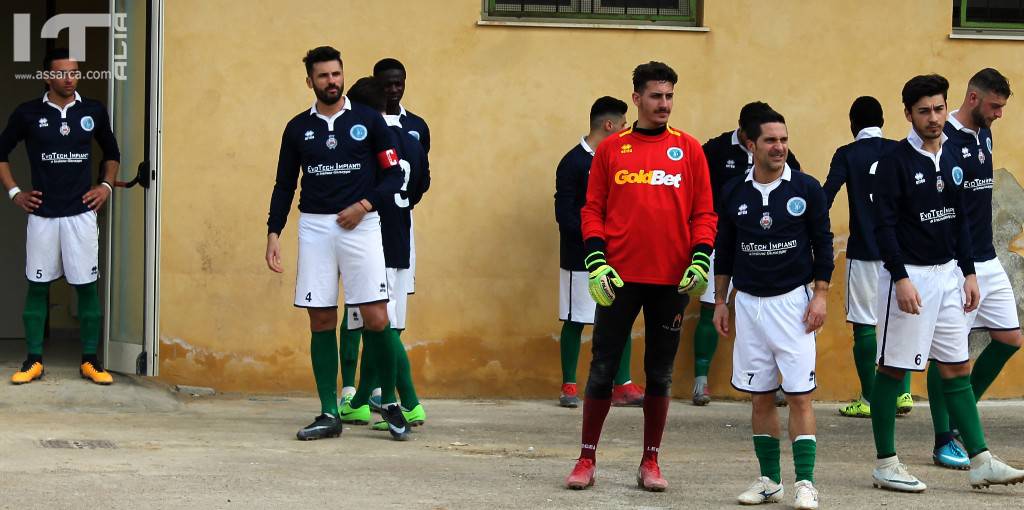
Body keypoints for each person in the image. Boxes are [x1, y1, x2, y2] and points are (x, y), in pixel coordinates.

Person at [563, 61, 716, 492]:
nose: (664, 104)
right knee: (602, 371)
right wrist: (596, 260)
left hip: (671, 282)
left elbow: (704, 213)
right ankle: (585, 459)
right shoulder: (613, 149)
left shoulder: (689, 149)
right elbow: (592, 210)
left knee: (660, 374)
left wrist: (700, 258)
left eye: (669, 96)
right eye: (655, 96)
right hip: (618, 278)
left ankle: (651, 462)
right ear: (636, 99)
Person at [868, 73, 1024, 492]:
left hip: (949, 276)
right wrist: (900, 278)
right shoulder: (893, 162)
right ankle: (886, 463)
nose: (934, 118)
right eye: (924, 111)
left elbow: (961, 225)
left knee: (957, 367)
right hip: (909, 279)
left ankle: (981, 460)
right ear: (908, 114)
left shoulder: (954, 157)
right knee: (892, 369)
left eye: (938, 108)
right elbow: (882, 227)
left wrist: (969, 273)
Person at [265, 46, 406, 441]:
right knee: (322, 318)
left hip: (361, 226)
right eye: (323, 76)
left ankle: (390, 403)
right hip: (315, 228)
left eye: (336, 74)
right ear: (310, 81)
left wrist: (363, 205)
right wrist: (273, 232)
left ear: (343, 76)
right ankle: (329, 412)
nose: (332, 81)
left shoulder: (369, 120)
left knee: (377, 317)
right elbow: (283, 185)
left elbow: (393, 177)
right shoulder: (296, 128)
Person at [714, 108, 831, 510]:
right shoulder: (733, 192)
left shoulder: (807, 188)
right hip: (747, 305)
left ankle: (806, 484)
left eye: (783, 139)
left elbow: (824, 244)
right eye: (770, 140)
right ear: (751, 145)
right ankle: (769, 481)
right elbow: (724, 251)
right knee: (760, 396)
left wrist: (821, 294)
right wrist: (721, 301)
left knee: (800, 396)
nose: (780, 147)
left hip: (793, 305)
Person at [0, 48, 120, 386]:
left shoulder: (93, 110)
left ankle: (89, 361)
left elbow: (112, 154)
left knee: (86, 287)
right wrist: (15, 193)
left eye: (74, 72)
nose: (70, 78)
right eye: (63, 72)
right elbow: (1, 153)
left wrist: (106, 186)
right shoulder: (28, 113)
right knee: (38, 286)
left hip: (80, 214)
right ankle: (33, 360)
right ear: (47, 77)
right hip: (43, 215)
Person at [925, 68, 1019, 470]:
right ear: (974, 98)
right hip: (954, 262)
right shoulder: (942, 140)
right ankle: (943, 438)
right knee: (947, 351)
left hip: (988, 257)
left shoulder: (985, 132)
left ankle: (965, 418)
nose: (999, 114)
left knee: (1010, 338)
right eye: (995, 106)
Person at [337, 58, 434, 409]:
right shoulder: (409, 143)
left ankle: (400, 400)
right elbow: (421, 181)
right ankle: (362, 394)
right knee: (378, 320)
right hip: (397, 233)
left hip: (372, 235)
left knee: (380, 323)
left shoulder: (371, 142)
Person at [695, 102, 801, 406]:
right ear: (743, 132)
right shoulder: (714, 150)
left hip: (769, 247)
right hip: (722, 241)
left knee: (774, 313)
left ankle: (778, 382)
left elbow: (796, 185)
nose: (776, 146)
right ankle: (700, 380)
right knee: (709, 308)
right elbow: (695, 189)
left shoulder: (779, 152)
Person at [823, 97, 912, 419]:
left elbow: (827, 195)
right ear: (883, 120)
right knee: (900, 322)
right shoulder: (900, 150)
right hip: (902, 253)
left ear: (852, 123)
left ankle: (870, 399)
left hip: (863, 252)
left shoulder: (847, 154)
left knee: (864, 325)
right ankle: (902, 393)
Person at [553, 96, 643, 408]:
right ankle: (569, 385)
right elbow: (565, 215)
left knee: (621, 319)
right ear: (609, 125)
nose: (625, 131)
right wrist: (594, 240)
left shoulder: (619, 159)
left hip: (618, 258)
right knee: (575, 319)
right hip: (580, 258)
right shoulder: (573, 163)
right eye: (622, 126)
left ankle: (623, 385)